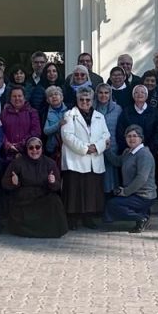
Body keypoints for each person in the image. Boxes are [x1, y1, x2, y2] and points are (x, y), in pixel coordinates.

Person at [60, 87, 111, 230]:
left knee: (91, 190)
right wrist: (85, 148)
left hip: (94, 159)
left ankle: (88, 217)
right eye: (81, 99)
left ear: (92, 100)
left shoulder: (100, 116)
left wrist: (97, 147)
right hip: (75, 159)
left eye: (88, 99)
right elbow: (67, 136)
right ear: (77, 100)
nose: (85, 102)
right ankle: (72, 219)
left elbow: (106, 136)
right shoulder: (69, 115)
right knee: (74, 191)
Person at [2, 137, 68, 238]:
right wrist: (14, 182)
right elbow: (4, 183)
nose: (34, 150)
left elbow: (57, 186)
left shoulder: (50, 163)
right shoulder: (17, 163)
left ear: (42, 148)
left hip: (43, 196)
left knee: (55, 201)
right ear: (27, 149)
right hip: (24, 199)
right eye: (31, 148)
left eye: (37, 147)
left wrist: (52, 182)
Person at [103, 125, 157, 232]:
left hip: (144, 195)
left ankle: (142, 218)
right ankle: (142, 215)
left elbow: (141, 178)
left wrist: (126, 192)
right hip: (134, 194)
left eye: (134, 136)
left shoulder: (144, 154)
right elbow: (117, 161)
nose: (131, 139)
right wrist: (107, 149)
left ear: (141, 138)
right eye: (128, 136)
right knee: (110, 199)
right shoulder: (128, 152)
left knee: (113, 204)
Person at [116, 85, 158, 157]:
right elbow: (120, 131)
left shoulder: (154, 112)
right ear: (133, 95)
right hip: (130, 151)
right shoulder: (126, 112)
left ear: (147, 96)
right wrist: (126, 147)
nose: (139, 94)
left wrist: (150, 148)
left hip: (149, 151)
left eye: (142, 92)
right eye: (136, 92)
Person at [94, 83, 123, 194]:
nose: (103, 95)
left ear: (110, 94)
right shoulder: (92, 107)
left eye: (106, 93)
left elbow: (120, 129)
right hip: (96, 148)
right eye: (101, 92)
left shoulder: (117, 109)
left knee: (111, 180)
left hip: (112, 147)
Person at [0, 85, 40, 163]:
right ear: (10, 99)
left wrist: (20, 145)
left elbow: (36, 132)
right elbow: (0, 132)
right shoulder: (4, 113)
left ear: (24, 97)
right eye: (14, 96)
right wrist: (7, 145)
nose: (17, 98)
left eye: (19, 96)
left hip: (28, 153)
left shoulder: (32, 112)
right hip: (8, 155)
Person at [41, 86, 69, 163]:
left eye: (56, 94)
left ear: (62, 97)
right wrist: (58, 124)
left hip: (68, 147)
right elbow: (46, 131)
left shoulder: (69, 110)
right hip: (52, 149)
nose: (54, 97)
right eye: (50, 95)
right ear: (47, 100)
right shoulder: (45, 112)